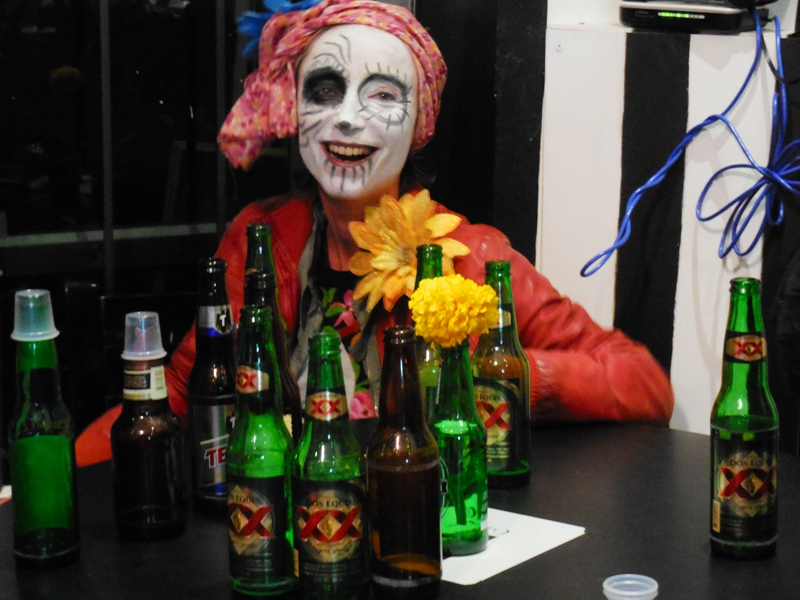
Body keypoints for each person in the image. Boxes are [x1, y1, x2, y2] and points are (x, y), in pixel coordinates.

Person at [76, 0, 673, 467]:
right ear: (296, 112)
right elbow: (185, 388)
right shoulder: (262, 237)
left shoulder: (470, 255)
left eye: (383, 95)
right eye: (325, 91)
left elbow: (643, 383)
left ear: (419, 121)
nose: (347, 118)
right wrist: (66, 471)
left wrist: (501, 370)